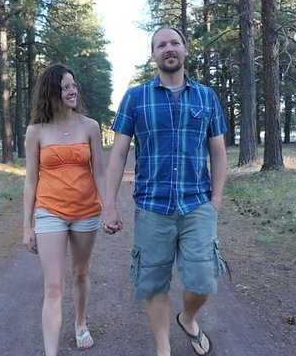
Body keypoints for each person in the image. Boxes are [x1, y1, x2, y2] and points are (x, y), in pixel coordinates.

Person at [102, 26, 228, 356]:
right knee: (154, 282)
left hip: (197, 204)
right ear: (153, 54)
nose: (168, 48)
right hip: (152, 206)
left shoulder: (206, 97)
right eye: (161, 45)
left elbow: (217, 152)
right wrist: (109, 206)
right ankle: (163, 347)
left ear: (185, 50)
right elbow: (117, 155)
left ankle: (188, 317)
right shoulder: (135, 98)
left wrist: (215, 200)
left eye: (174, 43)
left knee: (203, 280)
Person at [22, 64, 105, 355]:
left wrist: (108, 209)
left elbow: (100, 173)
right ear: (51, 93)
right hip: (49, 211)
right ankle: (51, 352)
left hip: (86, 211)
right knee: (53, 287)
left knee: (80, 273)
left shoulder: (91, 126)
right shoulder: (36, 131)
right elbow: (31, 179)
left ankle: (80, 324)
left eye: (73, 85)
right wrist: (27, 225)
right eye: (65, 87)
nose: (72, 91)